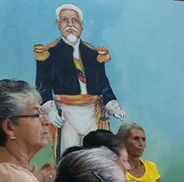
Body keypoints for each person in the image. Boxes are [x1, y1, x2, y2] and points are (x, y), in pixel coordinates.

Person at [34, 3, 127, 156]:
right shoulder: (48, 53)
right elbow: (43, 85)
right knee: (69, 156)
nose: (70, 24)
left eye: (75, 20)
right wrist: (50, 111)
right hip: (65, 114)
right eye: (65, 20)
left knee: (94, 156)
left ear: (81, 25)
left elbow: (103, 84)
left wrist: (113, 106)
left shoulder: (94, 54)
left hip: (92, 113)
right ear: (58, 24)